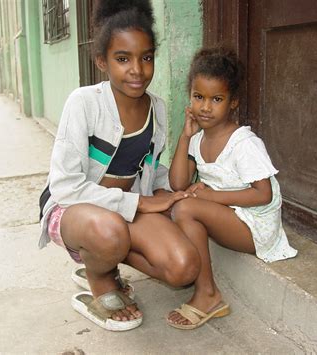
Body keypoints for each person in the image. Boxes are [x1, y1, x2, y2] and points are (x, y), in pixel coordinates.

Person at [38, 0, 200, 332]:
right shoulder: (84, 103)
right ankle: (101, 276)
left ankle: (105, 255)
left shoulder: (159, 108)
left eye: (146, 57)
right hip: (74, 210)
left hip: (125, 211)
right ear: (102, 61)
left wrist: (173, 190)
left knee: (184, 267)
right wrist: (140, 202)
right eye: (123, 59)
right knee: (109, 231)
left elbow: (149, 168)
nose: (137, 70)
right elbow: (66, 186)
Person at [166, 47, 298, 330]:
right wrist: (184, 136)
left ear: (233, 102)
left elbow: (264, 194)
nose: (205, 107)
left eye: (216, 99)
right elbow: (177, 183)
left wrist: (212, 196)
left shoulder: (243, 143)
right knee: (176, 200)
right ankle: (196, 282)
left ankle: (208, 295)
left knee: (185, 206)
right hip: (230, 217)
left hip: (255, 227)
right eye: (198, 97)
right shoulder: (197, 139)